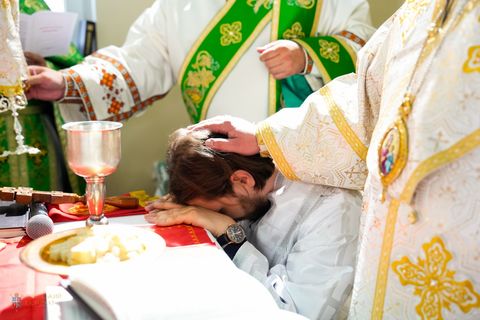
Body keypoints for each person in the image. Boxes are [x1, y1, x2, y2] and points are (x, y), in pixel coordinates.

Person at [188, 1, 480, 319]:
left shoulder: (330, 210)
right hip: (393, 231)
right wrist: (264, 136)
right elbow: (369, 104)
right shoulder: (423, 8)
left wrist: (307, 56)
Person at [25, 0, 374, 125]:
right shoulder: (179, 6)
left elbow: (369, 49)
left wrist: (307, 56)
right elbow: (136, 63)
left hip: (304, 176)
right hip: (220, 175)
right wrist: (67, 82)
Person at [145, 128, 362, 319]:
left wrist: (228, 233)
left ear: (242, 180)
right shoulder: (258, 185)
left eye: (221, 210)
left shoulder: (333, 211)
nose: (218, 215)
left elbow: (293, 312)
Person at [0, 0, 85, 193]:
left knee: (47, 210)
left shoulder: (31, 5)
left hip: (37, 126)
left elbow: (74, 70)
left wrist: (44, 67)